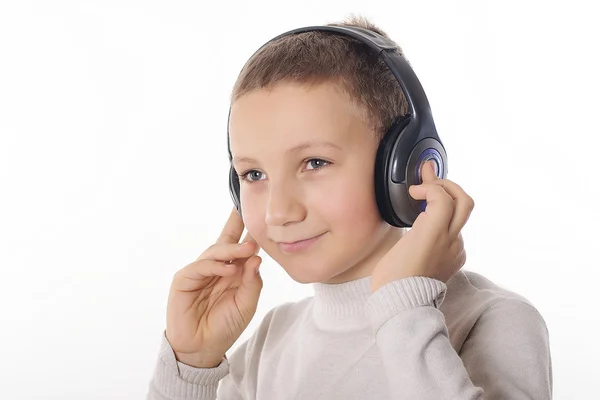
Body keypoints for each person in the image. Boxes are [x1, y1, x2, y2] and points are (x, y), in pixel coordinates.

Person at [147, 16, 552, 400]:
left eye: (315, 163)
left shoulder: (495, 320)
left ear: (406, 168)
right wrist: (190, 369)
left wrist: (404, 308)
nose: (278, 212)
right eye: (254, 174)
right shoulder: (270, 343)